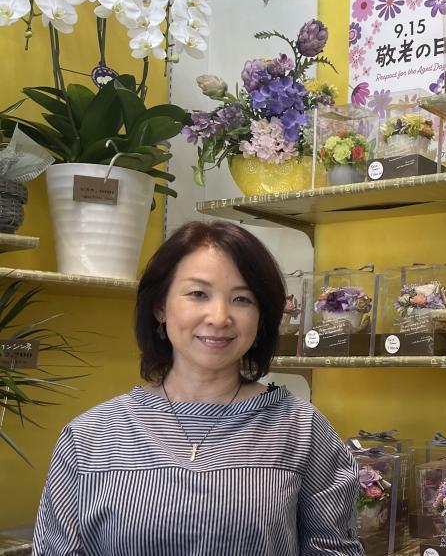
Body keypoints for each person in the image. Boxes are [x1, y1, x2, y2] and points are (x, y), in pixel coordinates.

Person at [32, 221, 365, 556]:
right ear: (160, 306)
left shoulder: (302, 430)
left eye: (242, 299)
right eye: (198, 294)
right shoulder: (90, 436)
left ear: (262, 316)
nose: (220, 317)